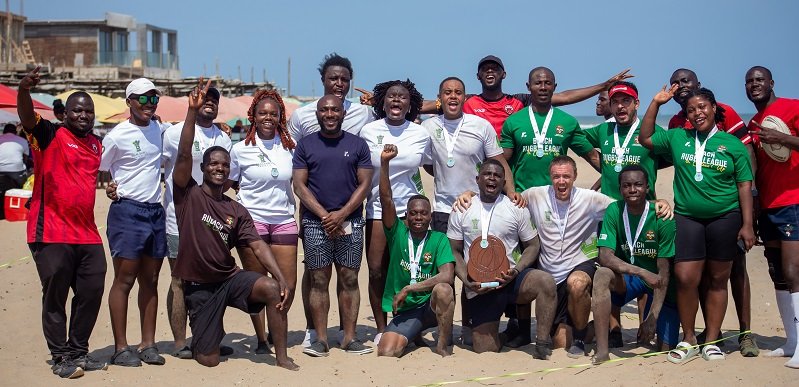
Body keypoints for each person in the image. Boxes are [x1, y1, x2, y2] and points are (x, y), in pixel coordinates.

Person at [172, 79, 297, 370]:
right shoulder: (188, 194)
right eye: (213, 164)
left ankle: (280, 356)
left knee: (272, 289)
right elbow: (182, 154)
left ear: (231, 171)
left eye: (224, 166)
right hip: (200, 287)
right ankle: (210, 332)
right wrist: (191, 112)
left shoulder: (235, 208)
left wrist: (279, 277)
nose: (219, 168)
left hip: (228, 280)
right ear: (202, 168)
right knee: (209, 360)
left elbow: (256, 244)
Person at [639, 85, 755, 363]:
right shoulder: (678, 137)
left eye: (702, 107)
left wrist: (748, 224)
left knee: (718, 279)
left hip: (725, 218)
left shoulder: (733, 145)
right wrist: (655, 103)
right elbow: (646, 137)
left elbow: (744, 185)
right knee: (686, 278)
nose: (697, 113)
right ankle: (689, 338)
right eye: (691, 110)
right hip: (688, 217)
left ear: (715, 109)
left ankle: (712, 340)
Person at [17, 66, 107, 378]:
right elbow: (28, 118)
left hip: (87, 233)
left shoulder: (96, 144)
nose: (84, 115)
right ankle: (60, 357)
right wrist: (24, 90)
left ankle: (78, 352)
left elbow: (92, 178)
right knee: (55, 295)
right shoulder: (50, 134)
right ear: (65, 113)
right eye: (77, 110)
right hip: (50, 231)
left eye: (88, 111)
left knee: (92, 289)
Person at [667, 68, 759, 356]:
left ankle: (744, 333)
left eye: (686, 82)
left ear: (699, 85)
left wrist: (748, 217)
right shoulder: (676, 123)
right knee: (696, 276)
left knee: (734, 272)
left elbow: (747, 156)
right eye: (676, 83)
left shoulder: (726, 112)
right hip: (693, 215)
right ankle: (709, 336)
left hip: (729, 210)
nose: (681, 87)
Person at [287, 53, 375, 348]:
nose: (330, 113)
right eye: (333, 79)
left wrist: (343, 214)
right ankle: (319, 337)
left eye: (344, 79)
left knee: (349, 277)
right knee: (318, 277)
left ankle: (349, 337)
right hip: (315, 219)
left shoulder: (360, 128)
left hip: (351, 219)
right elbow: (299, 183)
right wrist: (326, 215)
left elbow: (365, 182)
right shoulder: (302, 126)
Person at [449, 159, 556, 358]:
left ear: (503, 181)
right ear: (477, 179)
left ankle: (541, 343)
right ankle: (508, 334)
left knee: (545, 282)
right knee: (484, 348)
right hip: (480, 287)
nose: (492, 178)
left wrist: (516, 270)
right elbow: (454, 250)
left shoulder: (516, 208)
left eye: (497, 175)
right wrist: (467, 281)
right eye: (487, 174)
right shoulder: (462, 209)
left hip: (511, 279)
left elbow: (533, 245)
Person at [159, 85, 232, 359]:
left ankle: (207, 337)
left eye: (214, 99)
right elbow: (159, 166)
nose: (209, 103)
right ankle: (179, 342)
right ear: (193, 101)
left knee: (212, 281)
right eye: (204, 98)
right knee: (179, 280)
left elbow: (226, 178)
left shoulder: (223, 138)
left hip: (211, 223)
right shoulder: (174, 133)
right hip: (177, 220)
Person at [100, 78, 167, 367]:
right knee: (125, 280)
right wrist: (110, 187)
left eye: (154, 99)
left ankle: (148, 343)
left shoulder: (161, 130)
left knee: (150, 281)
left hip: (155, 211)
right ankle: (120, 347)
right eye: (142, 99)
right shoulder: (117, 135)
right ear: (129, 102)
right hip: (127, 212)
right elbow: (100, 168)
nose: (148, 104)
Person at [359, 79, 430, 341]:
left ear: (410, 103)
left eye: (402, 97)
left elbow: (432, 167)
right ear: (382, 101)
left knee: (409, 269)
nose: (396, 100)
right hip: (377, 208)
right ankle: (381, 327)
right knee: (377, 269)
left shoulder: (420, 134)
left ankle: (410, 324)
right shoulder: (368, 131)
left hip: (412, 213)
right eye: (391, 96)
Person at [229, 90, 298, 354]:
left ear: (280, 116)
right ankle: (260, 339)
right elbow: (230, 181)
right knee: (257, 284)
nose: (268, 117)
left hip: (283, 219)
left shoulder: (290, 147)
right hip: (251, 222)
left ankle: (275, 330)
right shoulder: (240, 148)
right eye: (262, 113)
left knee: (287, 284)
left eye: (273, 113)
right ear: (253, 117)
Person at [592, 165, 678, 364]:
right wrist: (641, 272)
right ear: (620, 189)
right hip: (632, 278)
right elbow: (605, 256)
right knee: (602, 274)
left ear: (647, 187)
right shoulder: (614, 210)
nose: (632, 190)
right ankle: (603, 350)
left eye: (638, 185)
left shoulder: (662, 218)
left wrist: (652, 318)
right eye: (627, 185)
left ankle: (654, 317)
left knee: (664, 347)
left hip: (659, 284)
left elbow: (663, 273)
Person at [377, 144, 455, 357]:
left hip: (429, 305)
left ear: (430, 216)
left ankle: (442, 343)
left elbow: (447, 275)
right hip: (406, 309)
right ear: (407, 216)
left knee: (444, 290)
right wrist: (384, 163)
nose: (418, 218)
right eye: (413, 214)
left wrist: (409, 289)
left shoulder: (439, 238)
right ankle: (414, 333)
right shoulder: (398, 233)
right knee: (387, 352)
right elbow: (386, 200)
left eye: (423, 214)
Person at [744, 66, 799, 368]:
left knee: (794, 272)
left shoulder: (792, 108)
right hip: (769, 206)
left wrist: (782, 137)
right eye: (749, 82)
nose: (754, 85)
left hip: (794, 201)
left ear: (771, 83)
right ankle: (791, 341)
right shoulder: (752, 122)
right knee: (777, 273)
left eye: (759, 80)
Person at [421, 77, 518, 233]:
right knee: (446, 257)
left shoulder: (481, 125)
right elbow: (427, 164)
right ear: (439, 98)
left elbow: (500, 163)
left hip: (477, 205)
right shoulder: (428, 127)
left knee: (476, 256)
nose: (453, 96)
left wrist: (512, 192)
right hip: (443, 209)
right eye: (448, 92)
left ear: (464, 98)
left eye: (458, 93)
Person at [460, 55, 632, 136]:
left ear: (503, 74)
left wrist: (604, 86)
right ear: (478, 76)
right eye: (485, 69)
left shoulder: (519, 101)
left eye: (495, 68)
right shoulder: (467, 101)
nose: (490, 71)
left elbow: (565, 97)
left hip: (509, 166)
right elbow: (437, 105)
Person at [500, 66, 600, 193]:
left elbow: (592, 156)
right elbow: (502, 161)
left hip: (557, 197)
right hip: (522, 197)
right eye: (538, 83)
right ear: (528, 86)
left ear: (554, 86)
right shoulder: (513, 121)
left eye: (548, 83)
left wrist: (618, 176)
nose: (543, 87)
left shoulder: (568, 122)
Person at [287, 53, 374, 140]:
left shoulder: (363, 113)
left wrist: (378, 103)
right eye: (333, 79)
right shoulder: (301, 115)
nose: (339, 84)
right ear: (323, 80)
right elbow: (291, 148)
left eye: (345, 80)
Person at [0, 123, 30, 219]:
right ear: (15, 132)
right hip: (16, 173)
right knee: (23, 181)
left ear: (4, 131)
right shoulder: (22, 141)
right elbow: (25, 159)